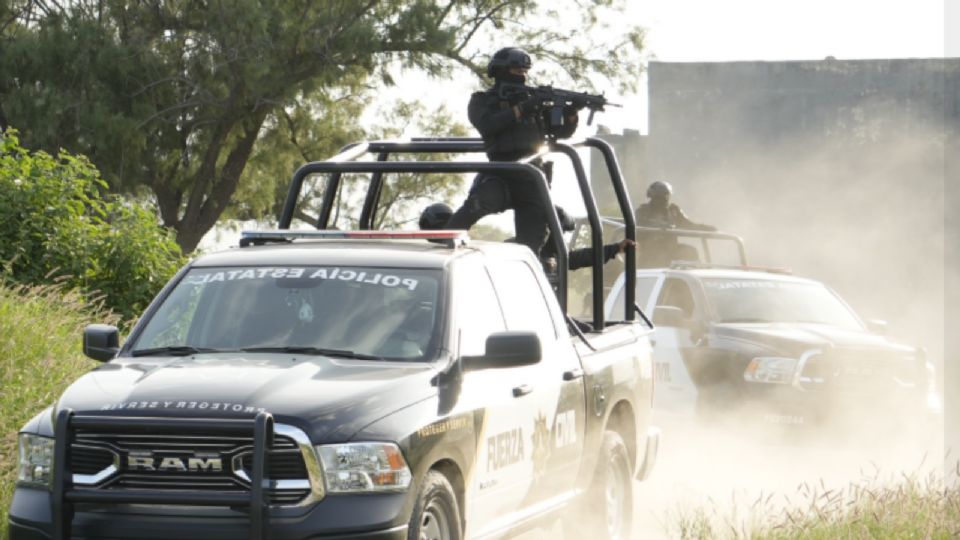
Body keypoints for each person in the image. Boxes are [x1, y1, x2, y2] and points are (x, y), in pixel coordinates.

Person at [445, 47, 581, 255]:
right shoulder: (482, 100)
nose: (522, 76)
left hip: (532, 175)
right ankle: (441, 244)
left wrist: (571, 113)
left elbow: (559, 133)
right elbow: (488, 125)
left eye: (525, 72)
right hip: (501, 171)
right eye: (517, 71)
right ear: (500, 71)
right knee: (474, 208)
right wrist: (522, 108)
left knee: (531, 245)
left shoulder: (535, 100)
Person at [635, 181, 715, 267]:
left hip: (671, 249)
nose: (663, 200)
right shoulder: (642, 211)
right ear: (651, 197)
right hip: (651, 250)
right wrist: (657, 227)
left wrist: (703, 227)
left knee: (690, 251)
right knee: (652, 260)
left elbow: (687, 224)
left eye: (666, 196)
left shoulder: (673, 210)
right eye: (659, 197)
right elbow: (638, 232)